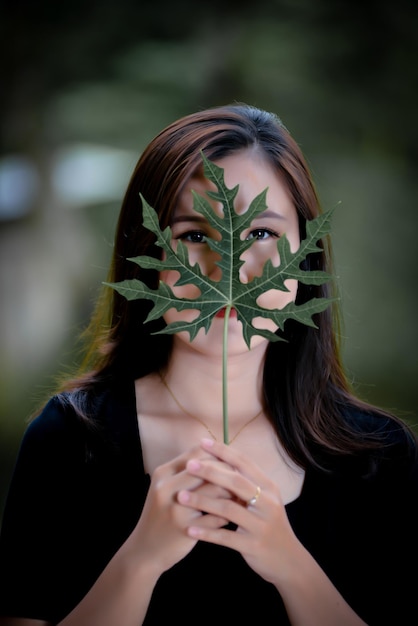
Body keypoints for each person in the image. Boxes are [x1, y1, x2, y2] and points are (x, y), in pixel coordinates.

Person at [0, 103, 416, 626]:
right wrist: (141, 559)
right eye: (195, 235)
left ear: (305, 258)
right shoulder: (69, 440)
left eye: (261, 233)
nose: (230, 268)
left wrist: (292, 567)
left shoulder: (380, 456)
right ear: (147, 257)